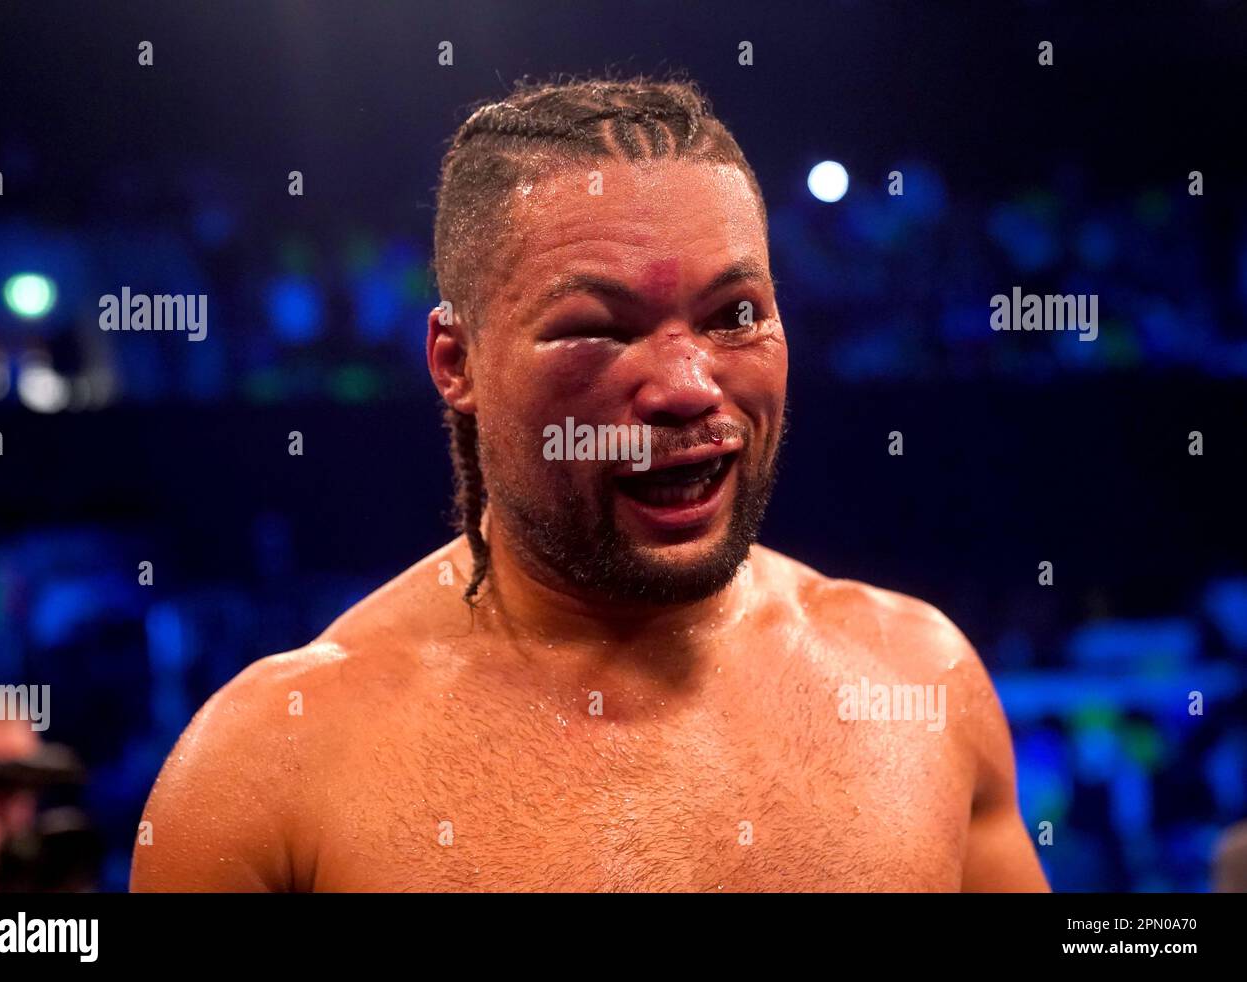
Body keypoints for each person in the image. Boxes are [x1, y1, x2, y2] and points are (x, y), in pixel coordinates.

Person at [132, 77, 1048, 892]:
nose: (689, 386)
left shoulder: (919, 682)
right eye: (598, 329)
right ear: (457, 362)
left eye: (735, 315)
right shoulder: (270, 769)